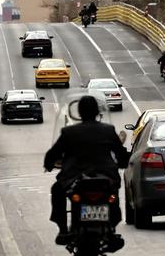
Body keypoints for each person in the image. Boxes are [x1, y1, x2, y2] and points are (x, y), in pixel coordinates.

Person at [43, 95, 129, 245]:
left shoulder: (69, 132)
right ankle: (112, 229)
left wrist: (48, 164)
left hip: (74, 177)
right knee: (113, 194)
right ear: (97, 112)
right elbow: (121, 153)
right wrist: (122, 163)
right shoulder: (108, 130)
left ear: (79, 112)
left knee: (57, 190)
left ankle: (63, 229)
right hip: (105, 177)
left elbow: (53, 153)